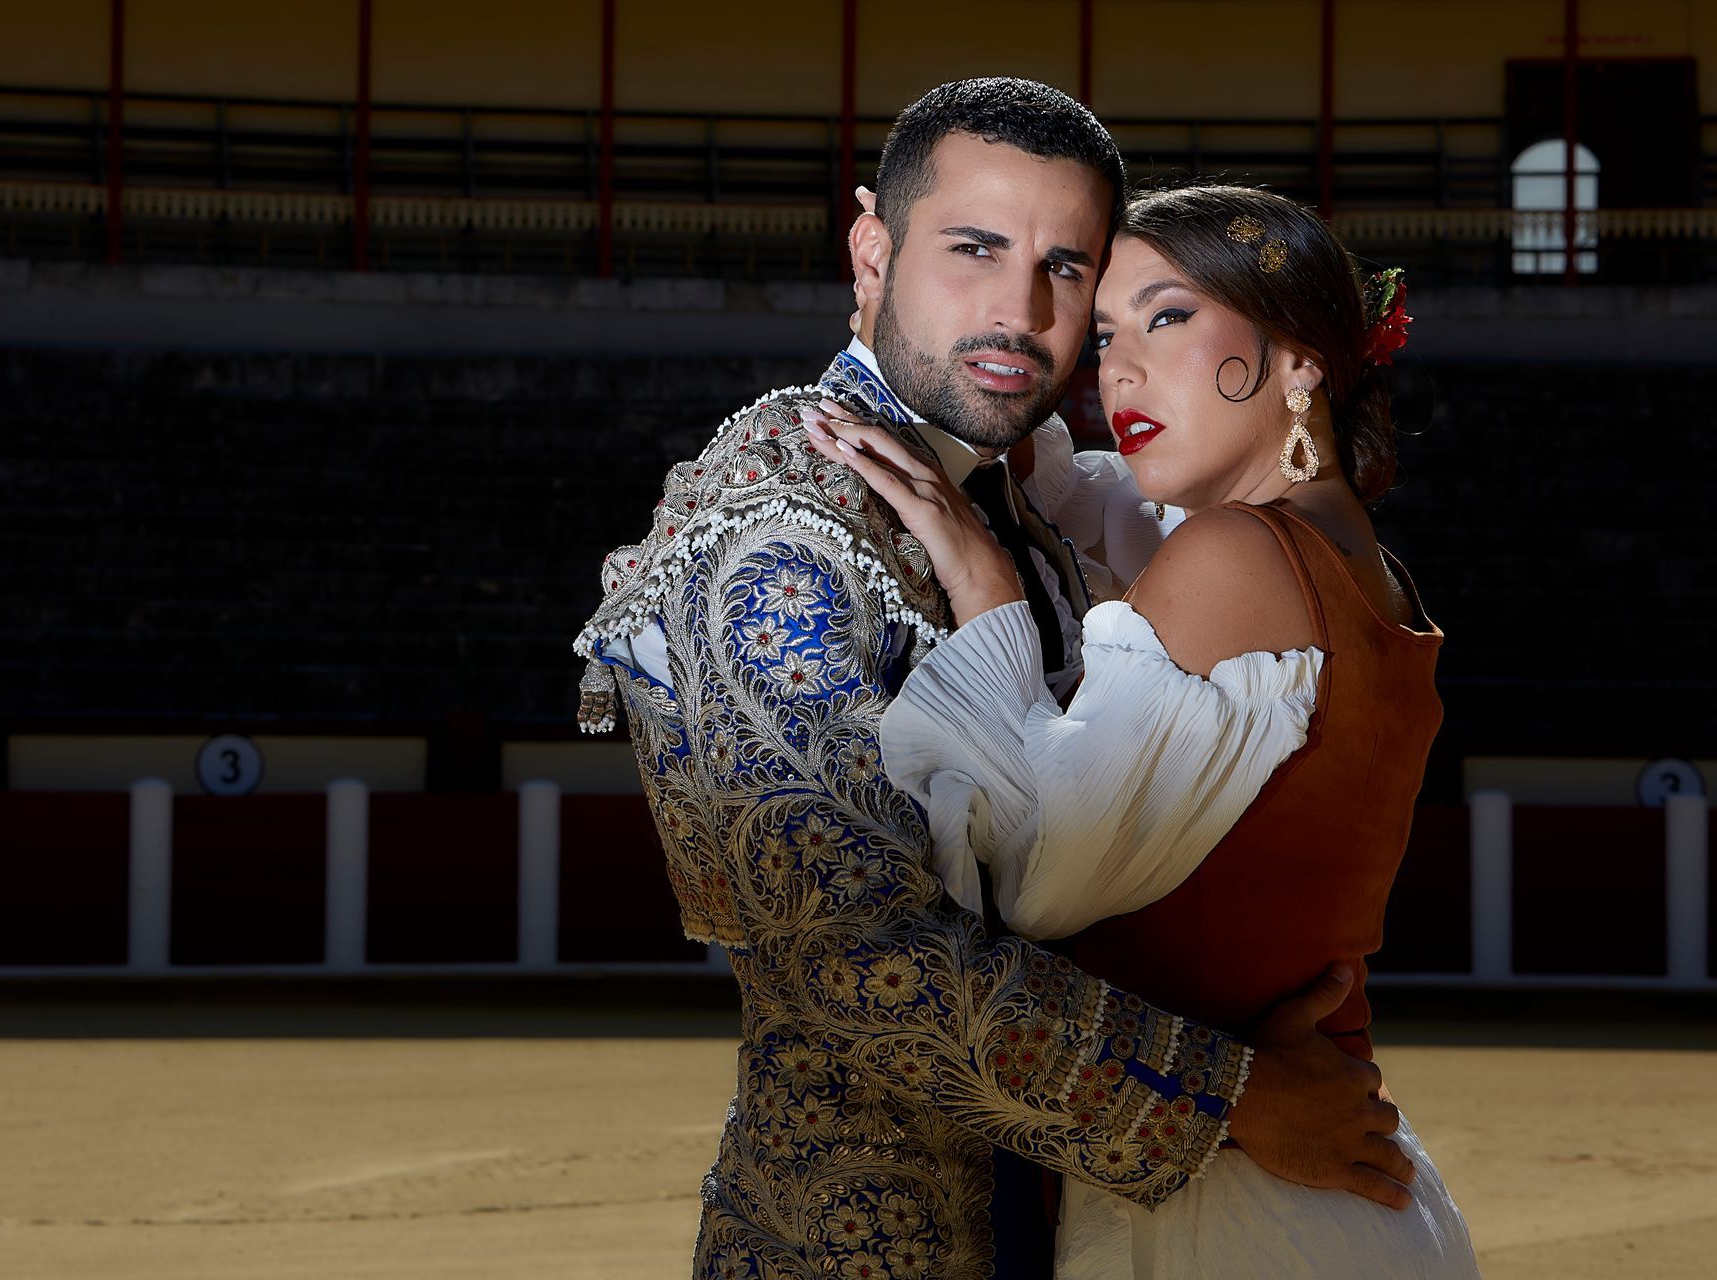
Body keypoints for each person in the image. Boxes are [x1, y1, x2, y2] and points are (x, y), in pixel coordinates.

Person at [572, 80, 1413, 1278]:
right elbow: (853, 956)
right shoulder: (777, 519)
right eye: (974, 248)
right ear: (873, 252)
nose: (1020, 311)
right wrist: (1232, 1095)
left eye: (1066, 268)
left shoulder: (1031, 498)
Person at [807, 182, 1479, 1277]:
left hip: (1228, 1211)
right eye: (1107, 332)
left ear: (1299, 358)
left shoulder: (1236, 557)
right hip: (1319, 1201)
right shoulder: (1356, 561)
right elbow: (1099, 504)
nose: (1116, 371)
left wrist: (986, 591)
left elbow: (1037, 880)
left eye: (1167, 317)